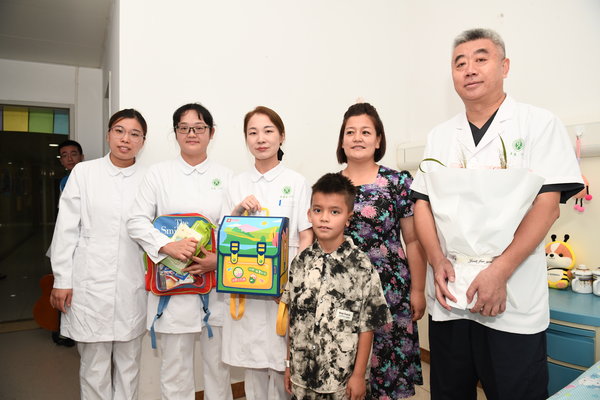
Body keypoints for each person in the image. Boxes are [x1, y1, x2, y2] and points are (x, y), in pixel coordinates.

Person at [411, 28, 584, 400]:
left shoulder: (539, 124)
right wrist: (436, 259)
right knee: (450, 392)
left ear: (504, 67)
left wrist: (500, 271)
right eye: (460, 63)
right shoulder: (441, 136)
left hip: (513, 296)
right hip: (451, 294)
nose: (469, 69)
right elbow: (422, 202)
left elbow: (548, 206)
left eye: (481, 58)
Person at [127, 103, 233, 400]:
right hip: (172, 286)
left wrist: (218, 260)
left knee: (218, 368)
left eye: (199, 127)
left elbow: (234, 229)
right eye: (184, 128)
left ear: (211, 132)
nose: (191, 133)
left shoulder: (227, 176)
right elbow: (136, 221)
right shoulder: (158, 174)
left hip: (215, 286)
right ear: (175, 133)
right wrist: (167, 245)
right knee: (175, 369)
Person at [49, 109, 149, 399]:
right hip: (89, 282)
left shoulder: (149, 178)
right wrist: (62, 279)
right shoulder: (84, 173)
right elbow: (66, 229)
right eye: (119, 131)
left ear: (143, 141)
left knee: (129, 363)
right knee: (94, 365)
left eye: (134, 134)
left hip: (132, 282)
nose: (125, 139)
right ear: (108, 135)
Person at [222, 106, 313, 400]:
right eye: (253, 132)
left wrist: (293, 283)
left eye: (268, 131)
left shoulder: (296, 182)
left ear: (281, 136)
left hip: (283, 291)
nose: (260, 138)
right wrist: (237, 212)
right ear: (246, 139)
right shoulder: (236, 183)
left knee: (283, 368)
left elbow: (306, 235)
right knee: (253, 371)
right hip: (247, 288)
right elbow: (224, 235)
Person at [336, 102, 426, 398]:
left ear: (378, 140)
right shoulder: (332, 186)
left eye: (365, 132)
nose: (357, 138)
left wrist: (418, 290)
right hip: (345, 291)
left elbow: (414, 240)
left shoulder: (397, 182)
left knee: (388, 371)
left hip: (391, 291)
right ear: (342, 141)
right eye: (350, 132)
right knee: (346, 369)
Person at [281, 172, 392, 400]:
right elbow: (293, 319)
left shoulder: (361, 266)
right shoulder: (300, 263)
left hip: (340, 383)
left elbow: (368, 327)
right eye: (318, 210)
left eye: (334, 212)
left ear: (348, 218)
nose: (324, 218)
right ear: (309, 214)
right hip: (302, 378)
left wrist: (358, 376)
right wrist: (289, 365)